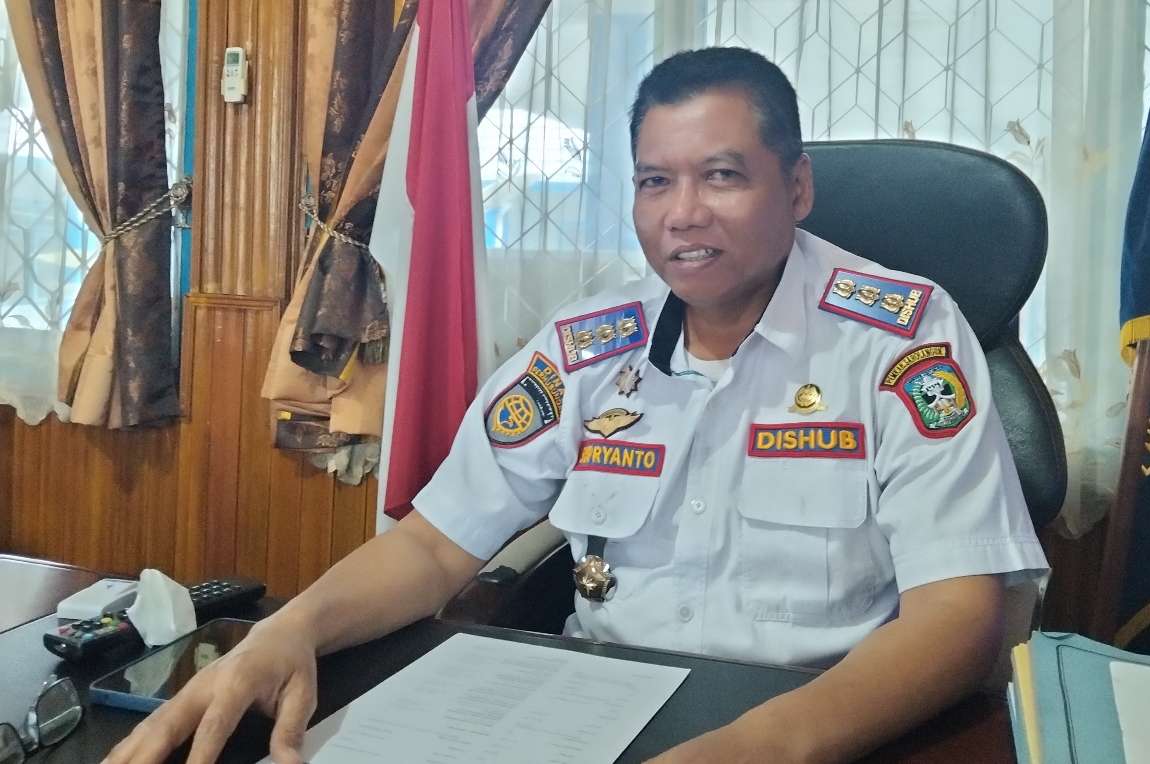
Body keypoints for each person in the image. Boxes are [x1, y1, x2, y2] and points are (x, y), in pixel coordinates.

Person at [105, 47, 1048, 764]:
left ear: (796, 187)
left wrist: (762, 746)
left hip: (827, 723)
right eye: (655, 181)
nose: (683, 213)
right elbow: (435, 546)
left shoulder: (902, 337)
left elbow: (962, 614)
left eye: (722, 175)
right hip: (596, 717)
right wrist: (288, 631)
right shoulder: (589, 344)